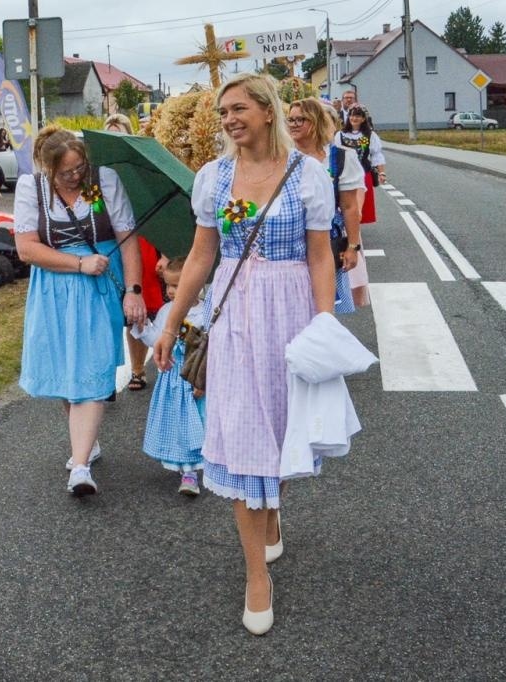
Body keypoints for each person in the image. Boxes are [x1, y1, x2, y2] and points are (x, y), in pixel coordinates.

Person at [155, 72, 336, 636]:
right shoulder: (213, 177)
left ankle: (273, 513)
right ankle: (258, 575)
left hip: (289, 312)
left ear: (266, 110)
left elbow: (320, 257)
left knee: (278, 431)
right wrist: (173, 320)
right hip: (234, 318)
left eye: (237, 108)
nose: (229, 119)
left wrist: (325, 324)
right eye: (222, 111)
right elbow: (201, 254)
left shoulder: (308, 175)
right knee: (242, 436)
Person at [14, 127, 147, 496]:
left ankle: (81, 467)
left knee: (90, 366)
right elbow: (26, 249)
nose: (75, 176)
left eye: (79, 168)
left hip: (100, 282)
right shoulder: (31, 188)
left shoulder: (104, 178)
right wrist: (77, 263)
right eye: (66, 173)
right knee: (65, 367)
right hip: (55, 285)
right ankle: (85, 442)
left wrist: (134, 291)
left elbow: (129, 237)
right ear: (48, 169)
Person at [287, 97, 365, 312]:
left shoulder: (339, 158)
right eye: (290, 120)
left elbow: (349, 207)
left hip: (326, 241)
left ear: (316, 122)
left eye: (300, 119)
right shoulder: (280, 157)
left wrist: (352, 247)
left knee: (323, 309)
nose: (293, 124)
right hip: (289, 242)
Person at [103, 111, 161, 390]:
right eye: (109, 134)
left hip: (143, 240)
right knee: (116, 313)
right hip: (111, 244)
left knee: (141, 310)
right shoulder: (96, 170)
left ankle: (139, 368)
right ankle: (110, 374)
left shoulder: (138, 167)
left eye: (119, 134)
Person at [138, 256, 206, 496]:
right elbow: (157, 341)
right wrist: (142, 327)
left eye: (178, 285)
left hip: (196, 378)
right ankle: (188, 472)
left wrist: (204, 379)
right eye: (169, 286)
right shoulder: (167, 311)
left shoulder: (206, 311)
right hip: (174, 381)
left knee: (201, 425)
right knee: (182, 426)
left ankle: (206, 466)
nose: (172, 292)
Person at [335, 106, 386, 225]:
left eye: (358, 116)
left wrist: (381, 172)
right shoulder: (341, 135)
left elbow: (376, 155)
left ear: (363, 119)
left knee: (358, 208)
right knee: (345, 205)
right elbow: (335, 155)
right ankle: (350, 231)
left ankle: (354, 236)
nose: (354, 118)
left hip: (363, 174)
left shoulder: (367, 135)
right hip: (345, 175)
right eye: (352, 115)